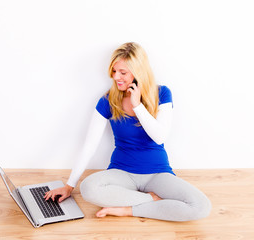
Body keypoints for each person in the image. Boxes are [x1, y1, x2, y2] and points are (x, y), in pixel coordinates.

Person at [44, 42, 212, 221]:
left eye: (123, 73)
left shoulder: (162, 94)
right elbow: (90, 145)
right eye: (114, 71)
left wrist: (137, 105)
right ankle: (151, 201)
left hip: (157, 172)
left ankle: (127, 210)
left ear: (138, 72)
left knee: (201, 207)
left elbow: (159, 137)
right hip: (121, 172)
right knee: (88, 188)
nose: (116, 77)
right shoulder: (108, 100)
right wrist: (69, 186)